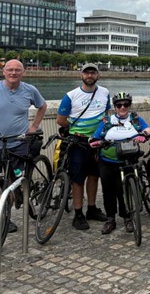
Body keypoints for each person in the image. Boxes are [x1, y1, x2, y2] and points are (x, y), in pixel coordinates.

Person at [0, 59, 47, 233]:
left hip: (20, 142)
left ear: (23, 72)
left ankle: (9, 210)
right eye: (10, 70)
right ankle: (4, 211)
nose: (13, 73)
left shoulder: (30, 90)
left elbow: (43, 106)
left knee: (16, 179)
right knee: (0, 178)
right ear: (3, 72)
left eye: (17, 70)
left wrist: (33, 127)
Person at [57, 63, 111, 230]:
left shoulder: (105, 93)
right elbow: (61, 120)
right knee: (78, 178)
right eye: (86, 73)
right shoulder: (71, 95)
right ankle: (78, 213)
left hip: (96, 141)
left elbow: (107, 113)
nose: (89, 76)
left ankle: (92, 209)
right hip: (78, 142)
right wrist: (75, 130)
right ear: (81, 75)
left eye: (92, 73)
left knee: (94, 176)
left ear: (98, 75)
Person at [90, 92, 150, 235]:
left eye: (126, 104)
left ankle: (127, 217)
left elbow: (148, 128)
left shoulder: (135, 119)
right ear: (115, 107)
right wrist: (94, 141)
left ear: (129, 106)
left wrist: (143, 134)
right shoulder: (107, 120)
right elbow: (96, 135)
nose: (123, 107)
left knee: (123, 190)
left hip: (127, 160)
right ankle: (110, 218)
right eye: (119, 105)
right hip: (107, 161)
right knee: (108, 190)